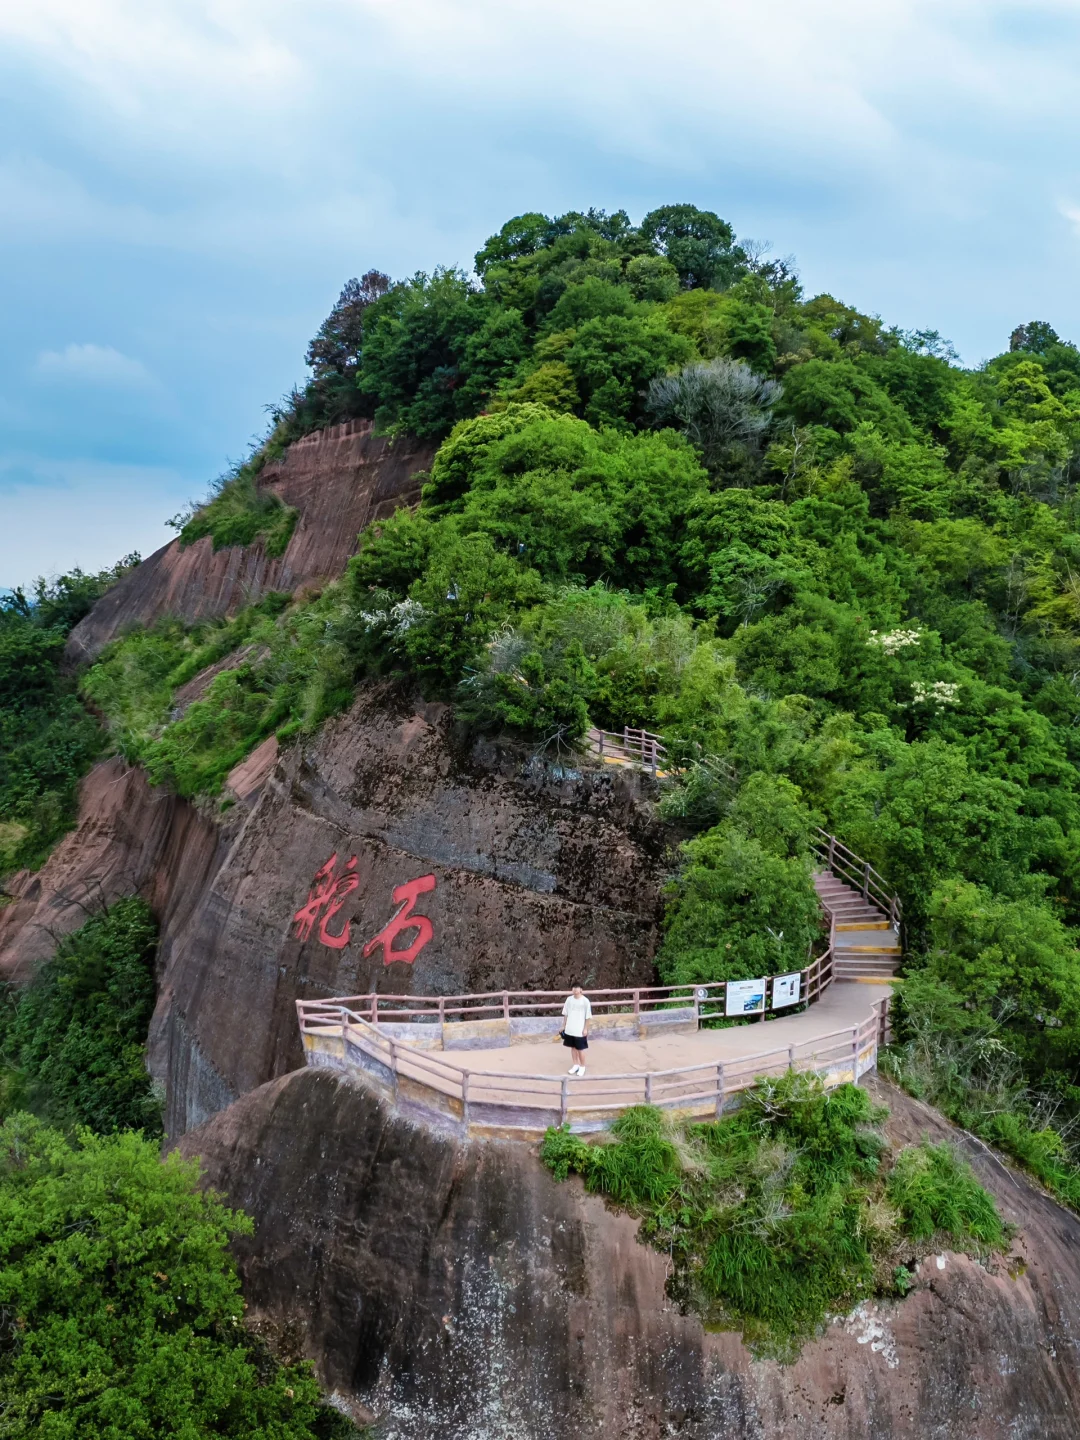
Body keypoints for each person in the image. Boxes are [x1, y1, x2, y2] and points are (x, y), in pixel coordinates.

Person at [561, 984, 592, 1076]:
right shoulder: (569, 1000)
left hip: (579, 1029)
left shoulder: (585, 1001)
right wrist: (564, 1026)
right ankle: (575, 1064)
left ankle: (582, 1066)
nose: (575, 989)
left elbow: (588, 1017)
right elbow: (565, 1014)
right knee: (573, 1048)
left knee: (580, 1049)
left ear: (581, 989)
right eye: (573, 988)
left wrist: (585, 1028)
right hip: (570, 1028)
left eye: (577, 988)